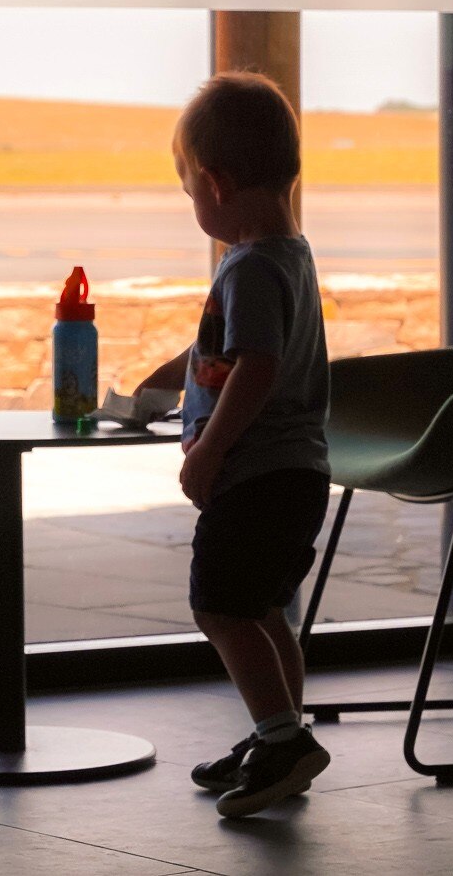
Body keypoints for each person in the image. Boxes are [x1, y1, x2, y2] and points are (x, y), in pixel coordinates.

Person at [137, 71, 332, 817]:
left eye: (189, 190)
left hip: (256, 473)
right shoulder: (291, 254)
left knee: (219, 605)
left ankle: (281, 739)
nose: (194, 204)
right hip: (297, 474)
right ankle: (282, 733)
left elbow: (257, 366)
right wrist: (164, 385)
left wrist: (208, 450)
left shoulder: (247, 266)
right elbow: (226, 353)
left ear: (215, 184)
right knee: (265, 608)